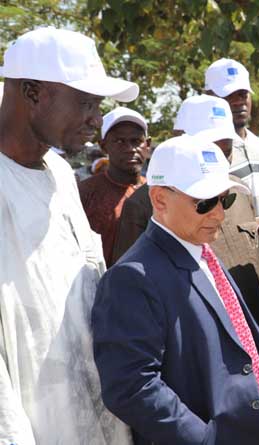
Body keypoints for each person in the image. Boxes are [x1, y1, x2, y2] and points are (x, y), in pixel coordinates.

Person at [92, 136, 259, 444]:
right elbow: (130, 386)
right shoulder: (132, 278)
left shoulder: (201, 249)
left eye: (225, 199)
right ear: (160, 199)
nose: (219, 214)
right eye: (204, 203)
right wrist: (203, 439)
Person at [0, 27, 137, 445]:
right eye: (85, 102)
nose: (97, 119)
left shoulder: (60, 173)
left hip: (95, 419)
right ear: (32, 92)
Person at [111, 95, 259, 343]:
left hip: (255, 339)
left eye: (226, 150)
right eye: (209, 150)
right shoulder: (143, 205)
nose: (217, 212)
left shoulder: (239, 192)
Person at [205, 58, 259, 220]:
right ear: (208, 96)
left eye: (243, 94)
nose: (239, 101)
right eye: (228, 95)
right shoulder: (205, 155)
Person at [79, 107, 149, 266]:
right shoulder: (85, 193)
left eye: (136, 141)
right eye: (119, 141)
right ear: (104, 146)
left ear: (148, 144)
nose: (130, 149)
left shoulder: (159, 193)